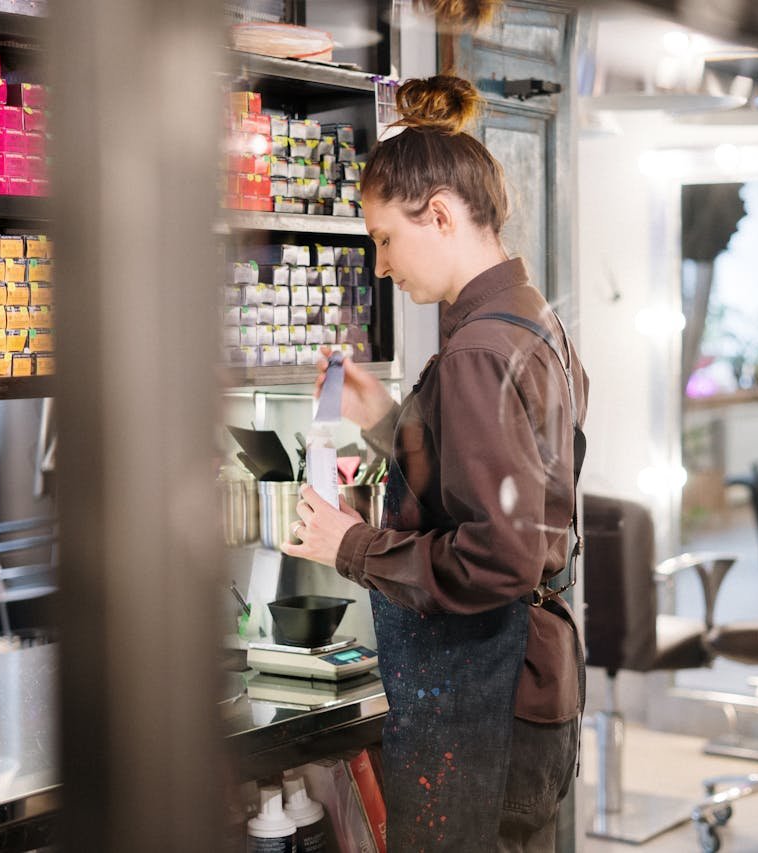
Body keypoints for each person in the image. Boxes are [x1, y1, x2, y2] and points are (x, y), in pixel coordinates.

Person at [280, 73, 589, 851]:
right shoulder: (530, 323)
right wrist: (386, 419)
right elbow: (497, 488)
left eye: (384, 238)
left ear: (441, 214)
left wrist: (347, 546)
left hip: (489, 700)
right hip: (524, 688)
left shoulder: (479, 350)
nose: (380, 265)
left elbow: (499, 556)